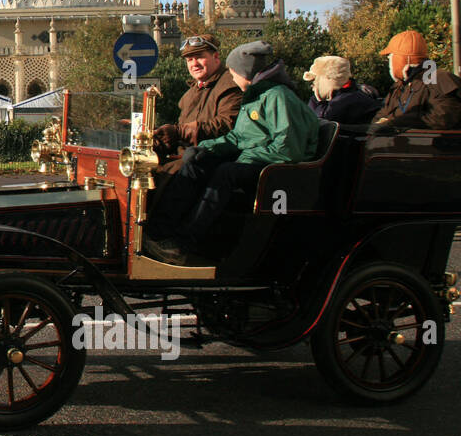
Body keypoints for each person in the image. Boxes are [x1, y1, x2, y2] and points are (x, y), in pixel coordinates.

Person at [145, 40, 320, 266]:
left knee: (226, 172)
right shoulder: (255, 95)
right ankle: (159, 233)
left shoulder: (278, 96)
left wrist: (246, 157)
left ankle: (185, 242)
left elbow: (288, 149)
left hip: (280, 172)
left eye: (234, 71)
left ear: (246, 72)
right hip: (260, 161)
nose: (232, 77)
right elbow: (238, 137)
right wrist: (205, 148)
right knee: (197, 158)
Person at [151, 34, 242, 175]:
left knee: (165, 180)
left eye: (200, 57)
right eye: (189, 59)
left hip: (210, 160)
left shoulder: (230, 84)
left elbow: (226, 125)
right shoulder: (191, 94)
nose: (194, 64)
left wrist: (179, 132)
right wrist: (157, 138)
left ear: (216, 57)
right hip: (186, 157)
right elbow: (179, 134)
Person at [370, 30, 461, 130]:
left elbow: (443, 119)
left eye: (390, 57)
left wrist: (394, 123)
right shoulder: (398, 87)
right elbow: (380, 116)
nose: (389, 63)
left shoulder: (438, 79)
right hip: (395, 147)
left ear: (403, 58)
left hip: (434, 149)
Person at [303, 56, 380, 125]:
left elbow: (319, 122)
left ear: (328, 79)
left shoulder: (346, 100)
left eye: (315, 80)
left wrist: (318, 100)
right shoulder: (352, 94)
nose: (313, 86)